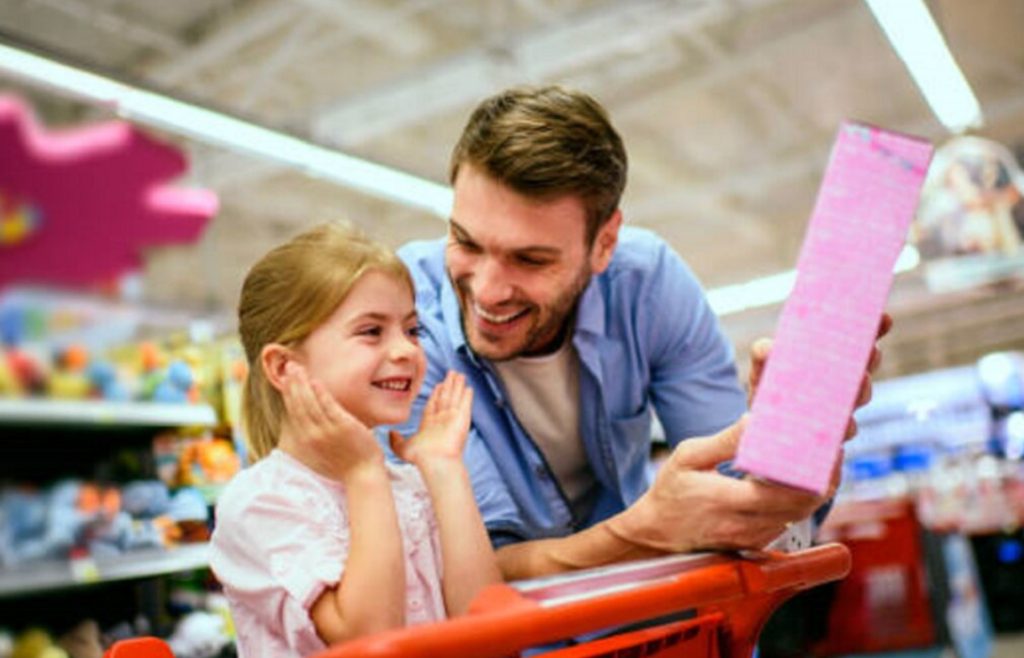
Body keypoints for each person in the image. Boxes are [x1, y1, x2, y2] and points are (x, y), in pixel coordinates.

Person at [395, 85, 887, 581]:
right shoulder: (398, 323)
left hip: (637, 614)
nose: (488, 289)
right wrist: (644, 532)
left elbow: (746, 506)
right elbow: (471, 571)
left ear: (604, 243)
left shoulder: (647, 286)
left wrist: (785, 461)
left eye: (531, 259)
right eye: (465, 242)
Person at [210, 222, 500, 657]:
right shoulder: (259, 502)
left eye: (412, 330)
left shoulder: (412, 487)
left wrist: (444, 467)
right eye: (371, 331)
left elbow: (490, 628)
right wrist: (363, 471)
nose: (405, 350)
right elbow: (370, 641)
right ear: (285, 368)